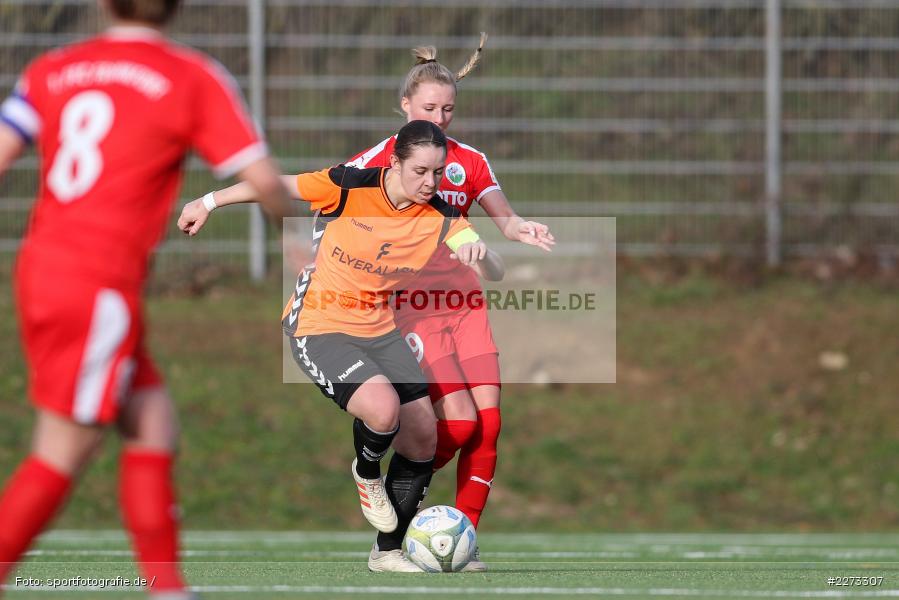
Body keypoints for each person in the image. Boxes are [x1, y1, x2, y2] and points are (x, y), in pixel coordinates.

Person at [0, 1, 294, 597]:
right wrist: (297, 239)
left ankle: (168, 589)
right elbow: (262, 179)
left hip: (45, 269)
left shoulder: (53, 68)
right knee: (62, 448)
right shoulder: (190, 75)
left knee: (152, 421)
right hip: (96, 284)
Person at [178, 120, 502, 573]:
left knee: (424, 435)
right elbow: (274, 185)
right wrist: (207, 201)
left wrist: (482, 254)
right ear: (394, 164)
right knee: (383, 410)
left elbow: (495, 271)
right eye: (420, 171)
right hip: (319, 322)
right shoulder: (349, 186)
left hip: (380, 327)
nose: (430, 182)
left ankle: (387, 551)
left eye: (437, 172)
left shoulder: (442, 215)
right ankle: (366, 472)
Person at [344, 34, 554, 571]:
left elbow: (502, 217)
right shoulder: (382, 160)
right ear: (406, 109)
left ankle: (463, 538)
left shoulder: (468, 162)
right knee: (455, 426)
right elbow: (337, 209)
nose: (439, 118)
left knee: (489, 424)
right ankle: (397, 516)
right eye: (429, 108)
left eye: (448, 109)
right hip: (412, 307)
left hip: (465, 304)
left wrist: (519, 227)